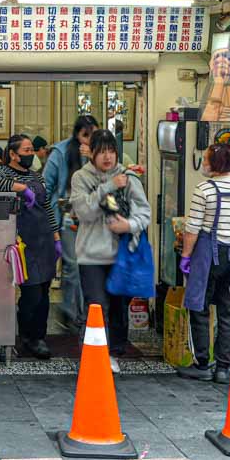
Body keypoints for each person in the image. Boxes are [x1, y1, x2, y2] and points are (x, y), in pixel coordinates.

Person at [70, 129, 151, 372]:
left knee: (118, 307)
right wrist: (107, 187)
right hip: (91, 255)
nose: (107, 157)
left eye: (111, 151)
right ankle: (94, 352)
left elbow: (144, 212)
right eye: (102, 152)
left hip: (121, 255)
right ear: (91, 153)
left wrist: (129, 225)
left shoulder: (128, 177)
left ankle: (113, 352)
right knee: (96, 305)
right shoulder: (81, 178)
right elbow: (84, 212)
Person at [177, 143, 230, 384]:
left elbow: (192, 229)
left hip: (209, 256)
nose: (204, 163)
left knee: (199, 307)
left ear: (215, 164)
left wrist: (186, 256)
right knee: (228, 312)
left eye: (207, 159)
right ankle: (222, 367)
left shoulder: (204, 190)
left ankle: (201, 363)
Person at [0, 135, 61, 359]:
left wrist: (56, 237)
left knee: (44, 291)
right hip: (23, 242)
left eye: (31, 150)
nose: (30, 154)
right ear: (13, 154)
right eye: (26, 150)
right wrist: (21, 188)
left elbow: (47, 206)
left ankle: (39, 336)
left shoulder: (36, 176)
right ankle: (28, 337)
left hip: (44, 240)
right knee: (31, 293)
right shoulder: (2, 172)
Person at [43, 114, 100, 329]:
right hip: (69, 219)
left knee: (92, 266)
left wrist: (93, 157)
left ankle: (88, 312)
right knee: (73, 266)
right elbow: (47, 186)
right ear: (77, 134)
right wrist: (51, 221)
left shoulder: (100, 152)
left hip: (95, 219)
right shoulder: (60, 152)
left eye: (93, 134)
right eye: (86, 135)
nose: (89, 140)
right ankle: (72, 312)